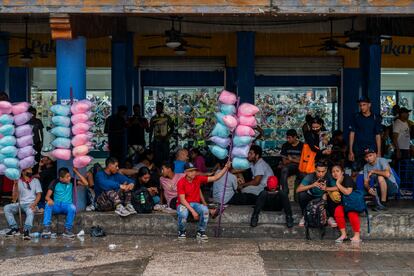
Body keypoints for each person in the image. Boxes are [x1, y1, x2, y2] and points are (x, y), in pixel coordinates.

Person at [177, 161, 230, 240]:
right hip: (184, 204)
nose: (193, 173)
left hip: (195, 204)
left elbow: (215, 178)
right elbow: (182, 200)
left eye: (194, 170)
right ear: (185, 172)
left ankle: (201, 232)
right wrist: (193, 211)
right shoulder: (181, 182)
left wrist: (226, 168)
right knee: (183, 214)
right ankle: (182, 231)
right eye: (190, 171)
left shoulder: (198, 178)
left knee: (205, 210)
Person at [41, 167, 88, 238]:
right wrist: (49, 200)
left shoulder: (72, 181)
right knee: (48, 205)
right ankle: (46, 229)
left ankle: (67, 230)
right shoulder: (55, 182)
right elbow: (47, 197)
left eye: (69, 176)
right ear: (61, 178)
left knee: (72, 208)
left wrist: (76, 172)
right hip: (56, 205)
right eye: (67, 177)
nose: (69, 178)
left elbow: (86, 183)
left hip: (67, 205)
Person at [296, 161, 338, 227]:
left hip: (324, 198)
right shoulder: (310, 176)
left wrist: (326, 189)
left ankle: (330, 217)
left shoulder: (329, 176)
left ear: (326, 170)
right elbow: (298, 189)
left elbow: (338, 188)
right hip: (312, 197)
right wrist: (312, 185)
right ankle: (305, 216)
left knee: (334, 194)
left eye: (323, 171)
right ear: (315, 170)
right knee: (302, 194)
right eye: (318, 171)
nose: (321, 174)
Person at [4, 168, 42, 240]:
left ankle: (26, 230)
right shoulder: (18, 181)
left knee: (31, 211)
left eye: (31, 170)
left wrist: (34, 204)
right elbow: (14, 198)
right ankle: (14, 228)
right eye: (28, 170)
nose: (31, 171)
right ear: (23, 172)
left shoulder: (36, 181)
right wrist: (15, 185)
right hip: (20, 204)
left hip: (31, 204)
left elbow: (39, 195)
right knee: (7, 207)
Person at [348, 96, 382, 171]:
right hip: (358, 149)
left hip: (372, 149)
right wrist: (350, 151)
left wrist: (379, 152)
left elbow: (378, 135)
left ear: (369, 105)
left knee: (373, 172)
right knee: (356, 172)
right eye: (360, 105)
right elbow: (352, 133)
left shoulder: (375, 117)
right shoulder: (356, 117)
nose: (362, 107)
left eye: (364, 105)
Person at [331, 165, 361, 243]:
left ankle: (357, 236)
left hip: (353, 203)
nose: (335, 173)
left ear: (342, 172)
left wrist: (337, 183)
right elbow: (336, 188)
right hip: (345, 203)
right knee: (338, 211)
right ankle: (343, 235)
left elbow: (348, 192)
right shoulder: (336, 180)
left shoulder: (347, 178)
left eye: (337, 171)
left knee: (351, 213)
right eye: (333, 171)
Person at [149, 102, 175, 167]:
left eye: (159, 107)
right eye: (157, 107)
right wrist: (150, 141)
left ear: (162, 108)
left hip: (165, 140)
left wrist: (167, 136)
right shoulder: (153, 118)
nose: (158, 109)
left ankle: (166, 169)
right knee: (157, 157)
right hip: (156, 140)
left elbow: (172, 127)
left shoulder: (167, 117)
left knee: (166, 157)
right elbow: (151, 130)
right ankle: (158, 170)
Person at [278, 129, 303, 194]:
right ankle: (285, 191)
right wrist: (297, 159)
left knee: (303, 174)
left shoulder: (302, 146)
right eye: (287, 138)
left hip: (300, 166)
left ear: (295, 137)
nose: (288, 139)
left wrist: (291, 159)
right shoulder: (285, 145)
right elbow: (285, 161)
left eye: (289, 138)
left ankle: (299, 194)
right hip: (290, 167)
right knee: (284, 169)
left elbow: (303, 161)